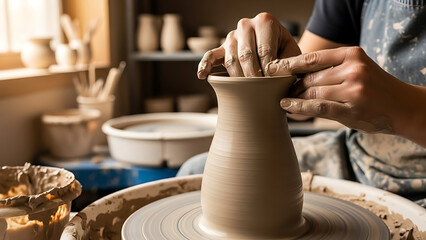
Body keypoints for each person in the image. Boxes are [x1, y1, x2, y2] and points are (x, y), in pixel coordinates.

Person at [178, 0, 426, 207]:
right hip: (358, 159)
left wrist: (404, 109)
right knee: (195, 172)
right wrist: (273, 63)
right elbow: (294, 97)